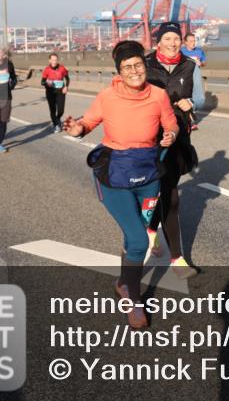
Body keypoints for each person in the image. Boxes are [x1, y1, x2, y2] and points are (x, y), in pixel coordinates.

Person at [63, 40, 178, 329]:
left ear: (145, 65)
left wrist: (171, 136)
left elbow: (171, 123)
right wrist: (77, 129)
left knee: (134, 237)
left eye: (138, 65)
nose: (134, 71)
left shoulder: (159, 95)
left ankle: (124, 283)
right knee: (141, 240)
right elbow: (87, 123)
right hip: (114, 176)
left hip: (148, 176)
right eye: (127, 67)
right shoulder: (107, 96)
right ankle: (134, 302)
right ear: (119, 71)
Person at [145, 22, 205, 277]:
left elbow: (201, 98)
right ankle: (177, 258)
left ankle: (150, 230)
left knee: (167, 190)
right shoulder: (145, 65)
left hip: (178, 137)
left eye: (176, 38)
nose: (172, 43)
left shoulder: (190, 66)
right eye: (167, 38)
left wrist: (189, 101)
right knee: (169, 196)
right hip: (149, 137)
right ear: (159, 42)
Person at [40, 53, 70, 132]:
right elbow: (42, 82)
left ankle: (57, 119)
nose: (54, 62)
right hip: (50, 92)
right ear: (49, 60)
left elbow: (67, 78)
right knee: (52, 110)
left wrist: (66, 86)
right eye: (52, 60)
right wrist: (47, 83)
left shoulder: (62, 68)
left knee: (61, 110)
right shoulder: (46, 70)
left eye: (56, 60)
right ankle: (56, 125)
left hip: (60, 91)